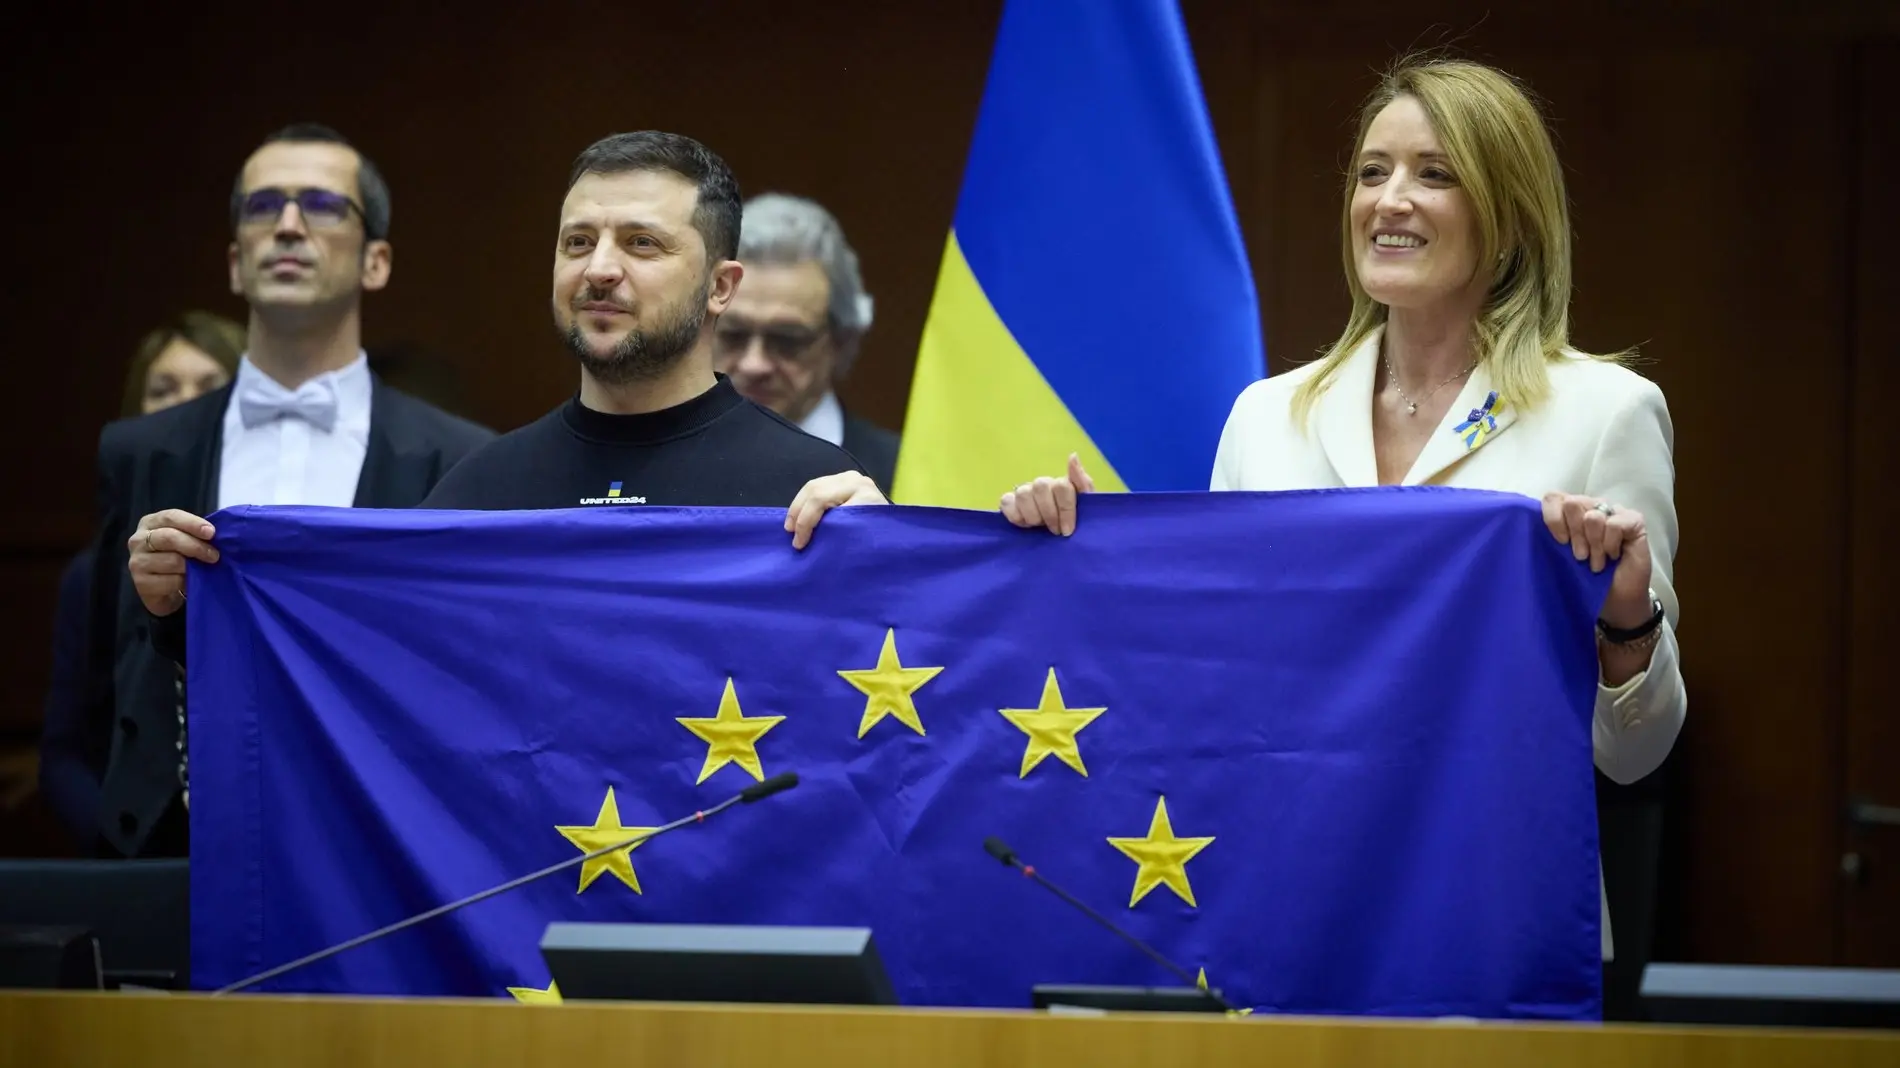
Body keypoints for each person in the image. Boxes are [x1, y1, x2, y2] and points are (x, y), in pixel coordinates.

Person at [997, 57, 1683, 958]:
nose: (1389, 199)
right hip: (1282, 893)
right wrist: (1093, 559)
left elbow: (1634, 755)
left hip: (1490, 906)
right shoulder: (1267, 416)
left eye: (1433, 174)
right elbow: (1206, 678)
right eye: (1372, 172)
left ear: (1511, 219)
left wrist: (1628, 618)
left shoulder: (1607, 414)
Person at [94, 124, 495, 858]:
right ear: (234, 264)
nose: (286, 225)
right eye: (262, 206)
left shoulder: (462, 457)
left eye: (320, 204)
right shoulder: (140, 450)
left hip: (382, 838)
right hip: (176, 843)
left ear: (376, 261)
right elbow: (100, 680)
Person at [415, 132, 881, 546]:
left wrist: (884, 551)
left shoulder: (815, 496)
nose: (598, 269)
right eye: (578, 241)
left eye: (641, 243)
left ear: (720, 288)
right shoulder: (476, 493)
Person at [30, 312, 245, 846]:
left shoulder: (263, 571)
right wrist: (116, 841)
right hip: (141, 854)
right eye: (163, 389)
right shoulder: (93, 573)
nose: (184, 406)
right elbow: (63, 753)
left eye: (209, 388)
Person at [715, 193, 901, 492]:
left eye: (787, 340)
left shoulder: (905, 476)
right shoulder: (658, 465)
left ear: (842, 342)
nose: (754, 364)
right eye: (732, 334)